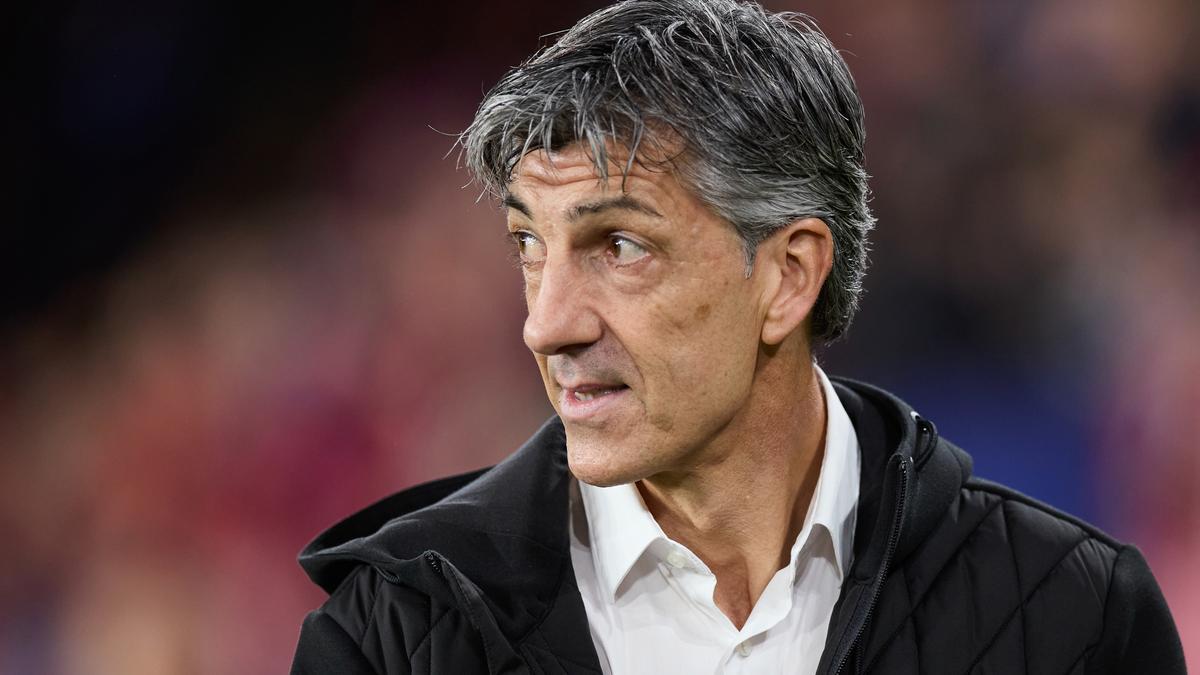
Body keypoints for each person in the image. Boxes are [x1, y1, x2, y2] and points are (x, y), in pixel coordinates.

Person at [290, 0, 1184, 672]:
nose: (547, 322)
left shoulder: (1072, 615)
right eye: (532, 245)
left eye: (620, 245)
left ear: (790, 275)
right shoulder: (391, 634)